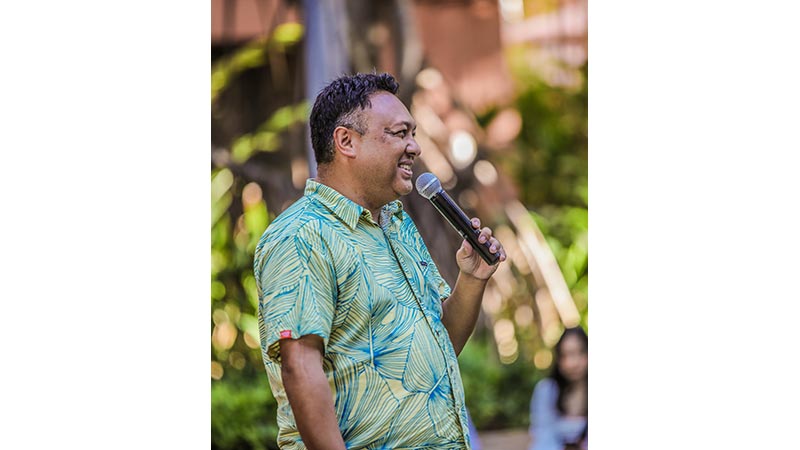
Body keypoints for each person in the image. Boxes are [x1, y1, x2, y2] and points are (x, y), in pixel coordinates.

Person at [253, 72, 506, 450]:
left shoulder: (396, 224)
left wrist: (471, 279)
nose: (414, 147)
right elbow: (300, 366)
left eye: (413, 134)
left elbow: (439, 347)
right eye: (399, 133)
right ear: (346, 141)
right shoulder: (302, 235)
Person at [528, 327, 588, 450]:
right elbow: (542, 438)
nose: (572, 363)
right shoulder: (547, 391)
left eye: (579, 353)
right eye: (565, 355)